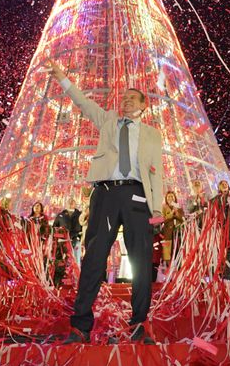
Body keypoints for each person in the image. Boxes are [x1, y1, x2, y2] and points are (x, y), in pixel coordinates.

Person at [47, 58, 164, 345]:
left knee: (140, 259)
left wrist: (158, 207)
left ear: (143, 104)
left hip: (138, 195)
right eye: (123, 98)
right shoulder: (108, 121)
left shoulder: (151, 134)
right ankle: (80, 326)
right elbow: (83, 103)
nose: (125, 102)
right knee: (95, 258)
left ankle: (138, 325)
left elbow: (156, 172)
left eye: (132, 98)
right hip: (106, 193)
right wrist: (63, 77)